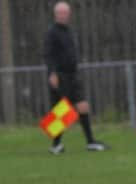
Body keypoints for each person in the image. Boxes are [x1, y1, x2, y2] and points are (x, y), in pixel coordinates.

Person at [43, 1, 108, 154]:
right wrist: (52, 73)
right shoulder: (52, 32)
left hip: (73, 75)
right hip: (60, 75)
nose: (64, 16)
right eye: (60, 13)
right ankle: (56, 145)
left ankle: (90, 142)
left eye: (66, 13)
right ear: (55, 15)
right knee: (63, 110)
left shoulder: (69, 31)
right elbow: (48, 54)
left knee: (83, 105)